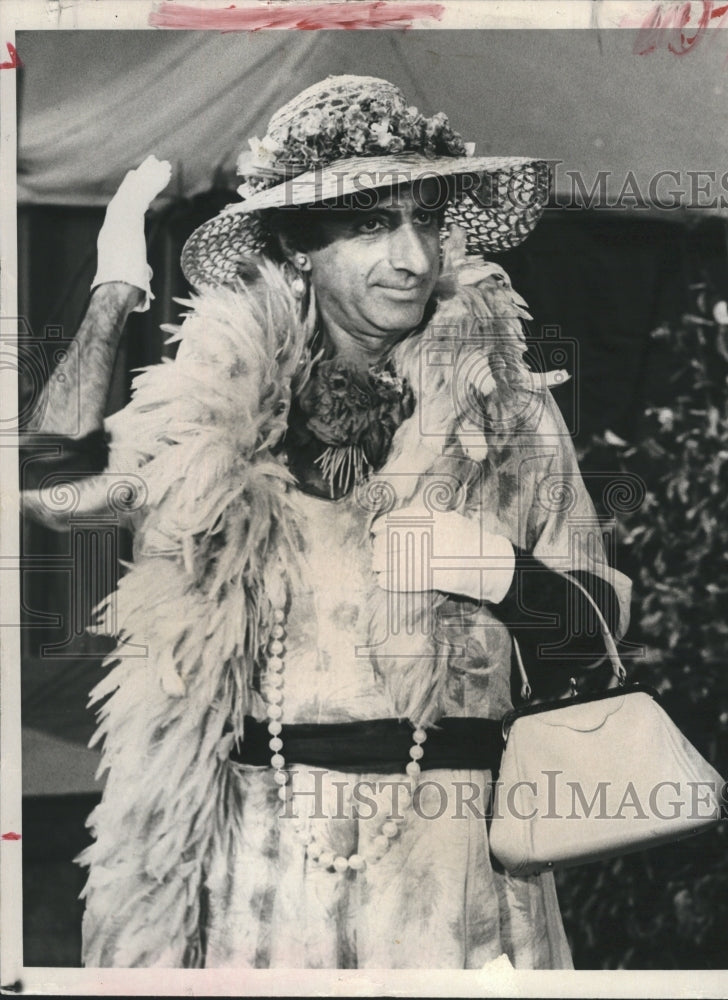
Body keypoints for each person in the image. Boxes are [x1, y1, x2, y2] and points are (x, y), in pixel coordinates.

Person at [23, 75, 631, 969]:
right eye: (370, 224)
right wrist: (115, 289)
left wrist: (507, 577)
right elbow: (51, 488)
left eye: (426, 220)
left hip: (452, 873)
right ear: (297, 248)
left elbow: (599, 639)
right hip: (254, 874)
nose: (412, 257)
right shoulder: (213, 414)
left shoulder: (511, 418)